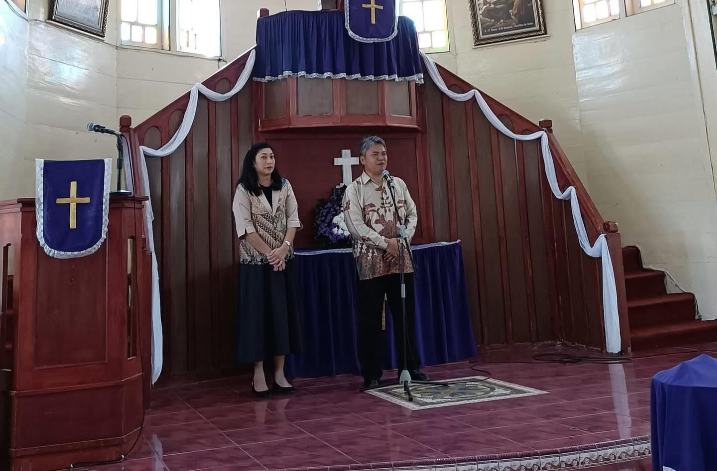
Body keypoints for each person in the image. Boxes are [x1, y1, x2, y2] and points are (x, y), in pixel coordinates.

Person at [342, 136, 429, 389]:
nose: (381, 158)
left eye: (384, 153)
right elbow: (355, 226)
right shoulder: (354, 189)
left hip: (400, 260)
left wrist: (401, 243)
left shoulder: (397, 184)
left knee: (404, 314)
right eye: (375, 154)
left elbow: (412, 214)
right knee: (370, 319)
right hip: (370, 263)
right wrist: (385, 244)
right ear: (362, 159)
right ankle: (371, 373)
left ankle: (409, 367)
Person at [232, 142, 302, 398]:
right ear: (253, 162)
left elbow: (293, 220)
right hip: (256, 266)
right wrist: (271, 255)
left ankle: (280, 373)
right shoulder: (243, 190)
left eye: (272, 156)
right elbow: (245, 228)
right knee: (257, 319)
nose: (269, 161)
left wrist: (283, 249)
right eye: (264, 157)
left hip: (284, 262)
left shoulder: (285, 186)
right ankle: (258, 373)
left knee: (282, 317)